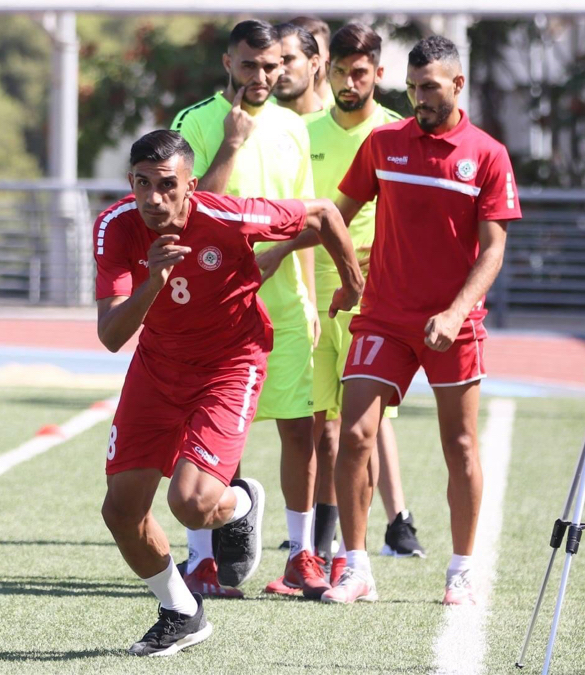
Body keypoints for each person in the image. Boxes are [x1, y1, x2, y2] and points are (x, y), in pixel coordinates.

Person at [97, 130, 364, 655]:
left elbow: (323, 215)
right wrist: (152, 281)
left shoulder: (230, 216)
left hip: (230, 365)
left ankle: (241, 502)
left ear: (190, 186)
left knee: (192, 506)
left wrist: (352, 281)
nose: (153, 198)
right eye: (141, 184)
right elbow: (110, 336)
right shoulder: (114, 224)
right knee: (121, 512)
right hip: (156, 370)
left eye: (167, 185)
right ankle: (181, 612)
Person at [321, 35, 521, 606]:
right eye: (410, 88)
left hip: (453, 326)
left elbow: (493, 251)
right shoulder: (383, 144)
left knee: (459, 446)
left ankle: (461, 569)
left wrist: (456, 312)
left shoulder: (488, 155)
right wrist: (347, 277)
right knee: (355, 435)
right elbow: (338, 216)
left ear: (458, 85)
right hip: (383, 317)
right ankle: (356, 567)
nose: (418, 99)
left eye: (429, 87)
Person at [258, 25, 426, 596]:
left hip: (378, 298)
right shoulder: (303, 131)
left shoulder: (396, 133)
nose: (349, 83)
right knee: (315, 427)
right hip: (318, 290)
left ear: (379, 74)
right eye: (341, 72)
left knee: (358, 429)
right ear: (327, 71)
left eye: (362, 73)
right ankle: (318, 555)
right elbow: (300, 218)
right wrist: (289, 274)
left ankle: (352, 558)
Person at [171, 19, 327, 598]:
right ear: (226, 64)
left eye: (272, 66)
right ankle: (203, 557)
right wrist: (232, 143)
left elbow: (308, 216)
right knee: (208, 431)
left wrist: (303, 291)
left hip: (283, 306)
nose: (262, 77)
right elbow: (187, 208)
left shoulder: (292, 127)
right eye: (249, 65)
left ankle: (302, 554)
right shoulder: (196, 122)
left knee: (298, 429)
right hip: (214, 308)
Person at [272, 23, 324, 117]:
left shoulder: (340, 124)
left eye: (288, 60)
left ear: (314, 64)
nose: (280, 70)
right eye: (273, 63)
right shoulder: (252, 124)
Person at [288, 16, 333, 106]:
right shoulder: (268, 109)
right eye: (291, 58)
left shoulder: (342, 107)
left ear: (329, 58)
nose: (306, 63)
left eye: (312, 55)